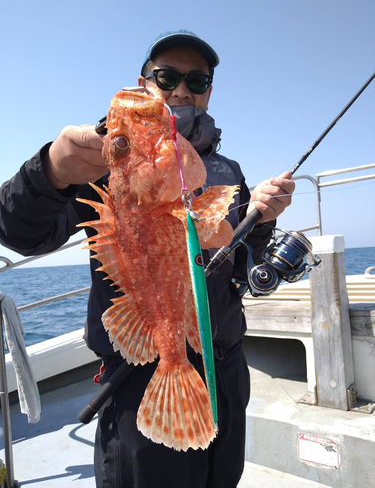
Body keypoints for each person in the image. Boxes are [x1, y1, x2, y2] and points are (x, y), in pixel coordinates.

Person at [0, 30, 295, 488]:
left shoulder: (228, 171)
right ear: (145, 83)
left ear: (209, 90)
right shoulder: (103, 166)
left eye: (196, 80)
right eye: (167, 76)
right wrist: (51, 172)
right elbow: (19, 233)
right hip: (138, 376)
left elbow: (239, 264)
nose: (181, 89)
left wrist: (261, 221)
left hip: (225, 368)